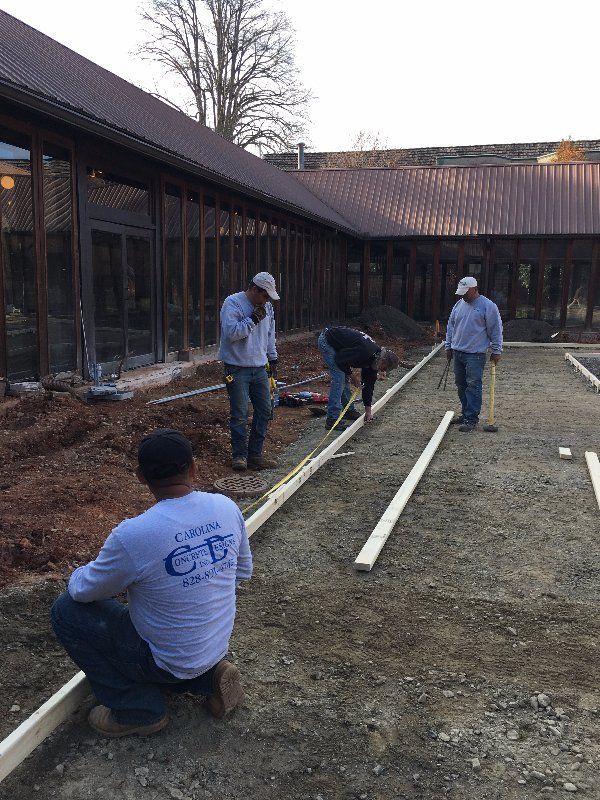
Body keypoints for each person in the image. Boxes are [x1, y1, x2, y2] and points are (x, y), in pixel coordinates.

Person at [50, 429, 252, 737]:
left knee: (65, 610)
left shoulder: (134, 535)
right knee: (169, 616)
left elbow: (82, 591)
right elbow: (241, 572)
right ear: (193, 468)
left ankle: (137, 710)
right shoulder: (226, 507)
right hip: (213, 645)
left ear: (141, 476)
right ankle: (209, 677)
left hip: (167, 660)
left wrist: (78, 573)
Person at [218, 272, 279, 471]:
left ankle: (255, 455)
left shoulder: (267, 307)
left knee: (265, 410)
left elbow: (270, 335)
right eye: (265, 295)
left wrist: (273, 358)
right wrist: (252, 319)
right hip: (237, 368)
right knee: (240, 414)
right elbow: (232, 334)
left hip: (260, 368)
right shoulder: (233, 303)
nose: (267, 300)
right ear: (254, 289)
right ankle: (239, 456)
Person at [445, 276, 503, 432]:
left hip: (475, 354)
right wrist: (448, 346)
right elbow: (451, 326)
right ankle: (465, 414)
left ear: (475, 289)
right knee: (461, 384)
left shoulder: (487, 306)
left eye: (466, 292)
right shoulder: (459, 304)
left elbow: (495, 329)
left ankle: (471, 418)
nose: (463, 295)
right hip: (458, 352)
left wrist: (496, 350)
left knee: (473, 385)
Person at [317, 326, 400, 430]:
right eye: (384, 368)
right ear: (383, 361)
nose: (382, 371)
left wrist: (368, 412)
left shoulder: (374, 361)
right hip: (327, 340)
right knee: (340, 378)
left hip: (340, 345)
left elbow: (368, 386)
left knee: (344, 376)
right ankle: (332, 420)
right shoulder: (365, 352)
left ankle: (349, 411)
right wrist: (354, 377)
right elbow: (340, 360)